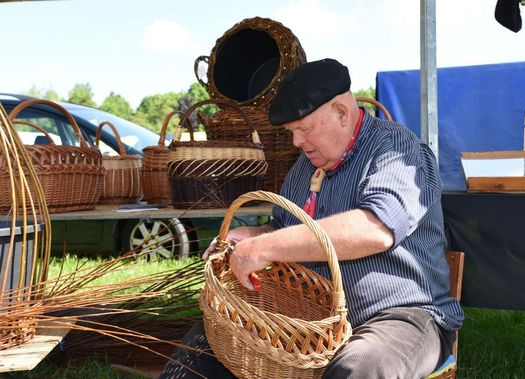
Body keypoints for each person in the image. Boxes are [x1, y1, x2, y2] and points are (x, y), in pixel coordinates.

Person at [159, 58, 464, 379]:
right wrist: (253, 234)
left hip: (399, 318)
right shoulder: (305, 165)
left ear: (342, 113)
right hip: (311, 319)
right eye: (292, 132)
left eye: (303, 129)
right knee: (203, 346)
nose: (296, 142)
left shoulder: (397, 150)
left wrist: (266, 247)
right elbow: (283, 229)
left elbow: (374, 229)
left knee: (359, 366)